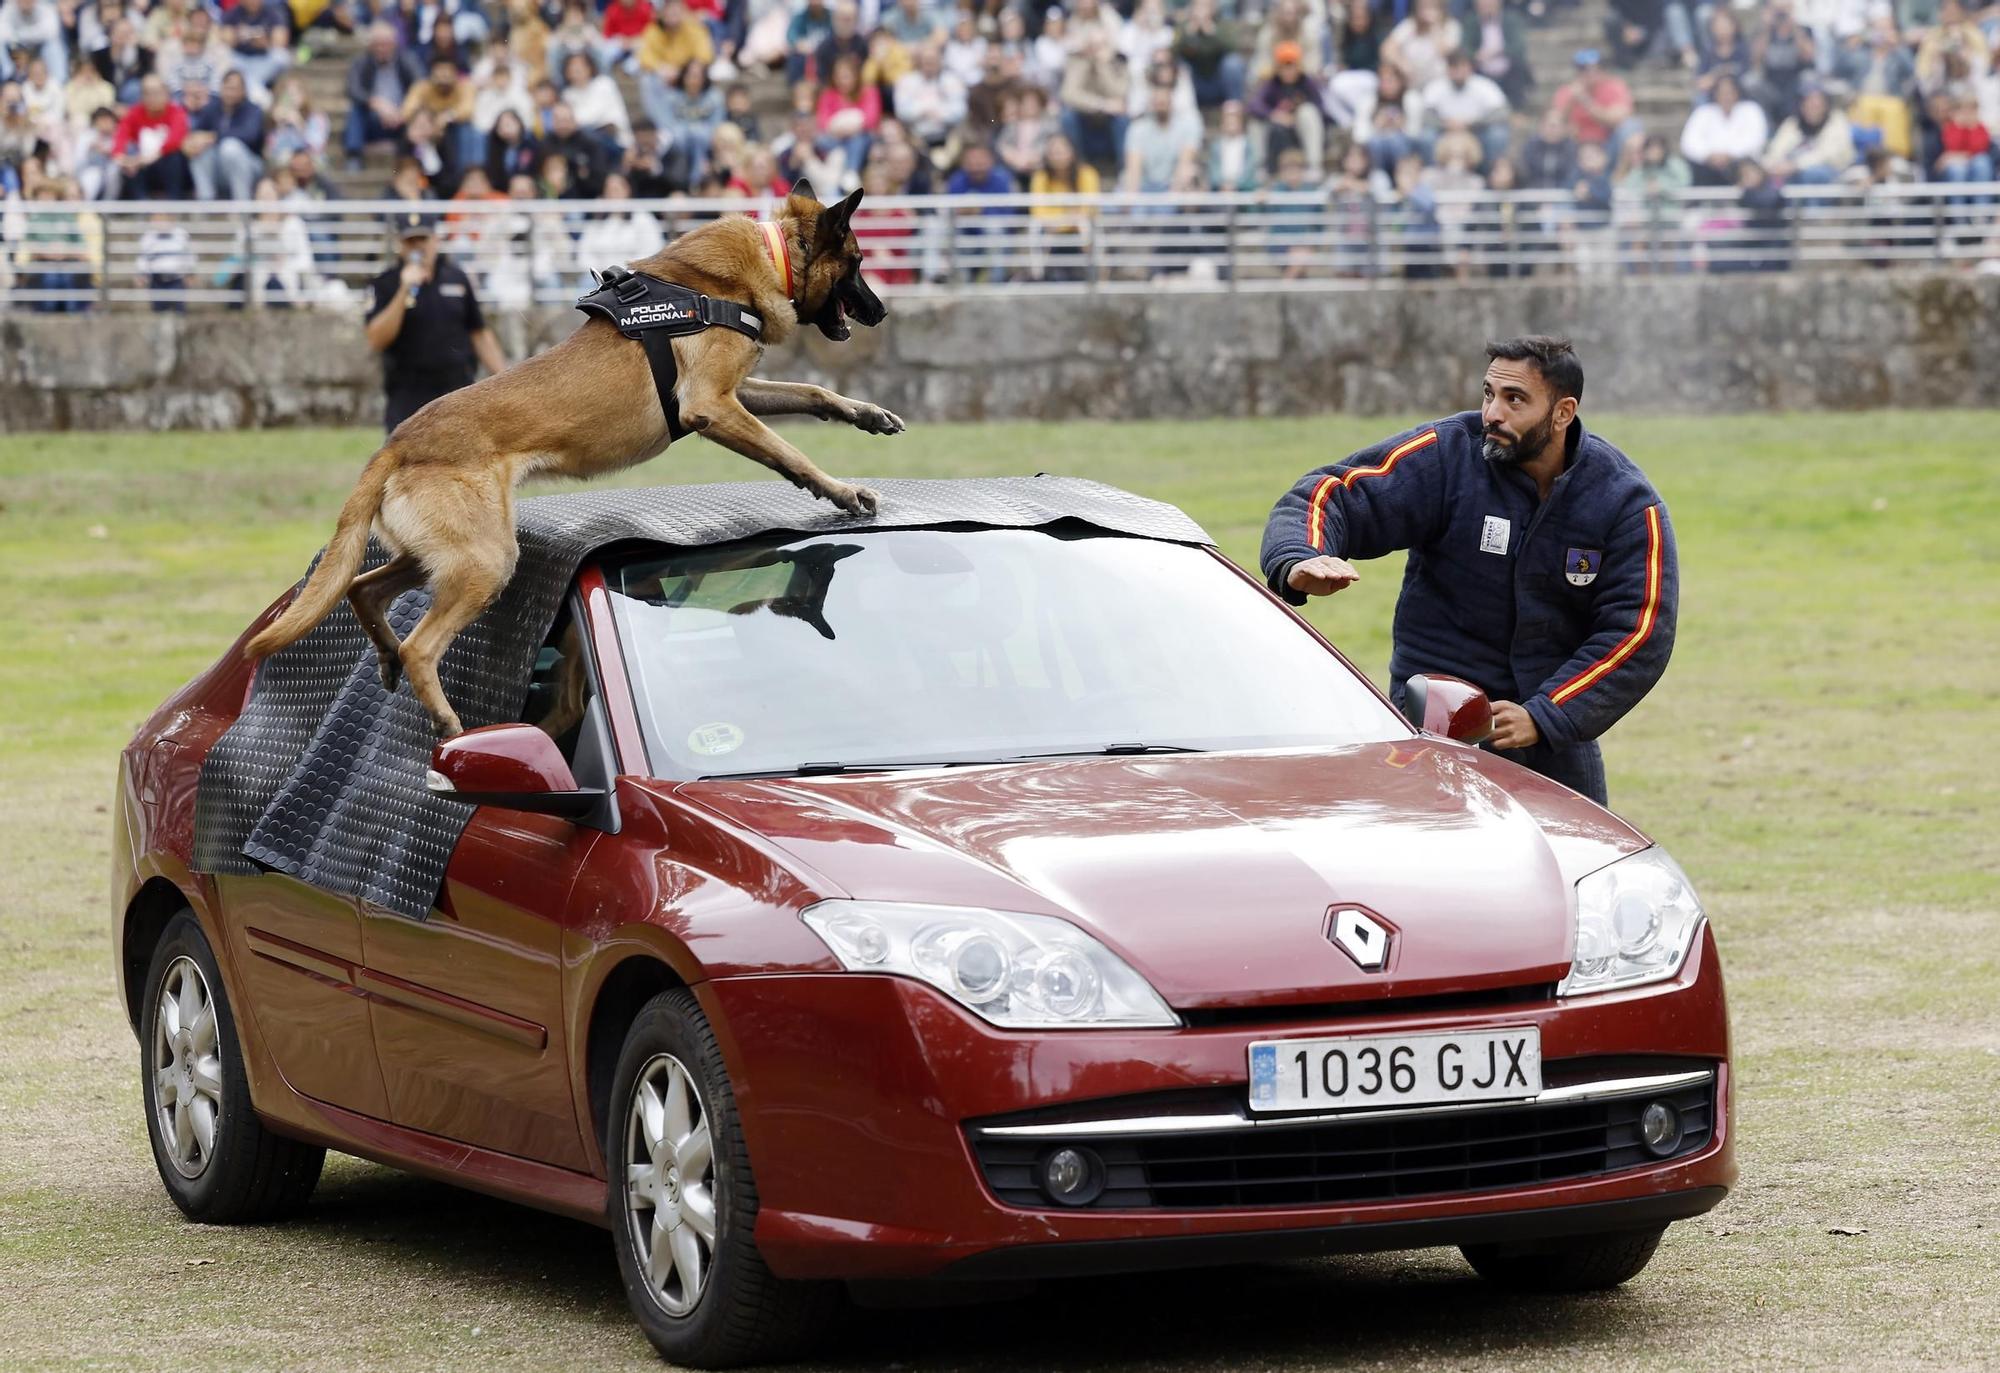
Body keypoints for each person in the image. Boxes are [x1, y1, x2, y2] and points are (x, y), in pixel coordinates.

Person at [1260, 337, 1678, 805]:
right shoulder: (1446, 454)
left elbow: (1638, 631)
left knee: (1576, 869)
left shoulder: (1624, 501)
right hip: (1435, 723)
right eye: (1488, 394)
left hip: (1554, 736)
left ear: (1563, 413)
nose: (1492, 413)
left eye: (1514, 399)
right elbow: (1331, 493)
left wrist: (1546, 716)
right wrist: (1299, 556)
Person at [366, 210, 508, 431]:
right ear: (400, 245)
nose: (418, 247)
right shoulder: (385, 284)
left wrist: (504, 381)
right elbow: (376, 339)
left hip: (457, 393)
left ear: (435, 240)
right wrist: (404, 291)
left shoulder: (457, 278)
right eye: (410, 241)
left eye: (423, 239)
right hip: (407, 397)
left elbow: (479, 332)